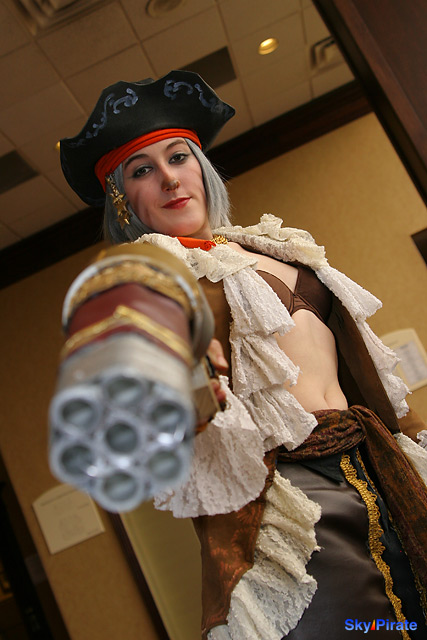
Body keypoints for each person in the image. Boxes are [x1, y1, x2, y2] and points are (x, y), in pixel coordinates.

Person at [60, 70, 427, 639]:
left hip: (376, 463)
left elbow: (370, 375)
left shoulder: (273, 246)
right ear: (122, 201)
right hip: (287, 503)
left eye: (178, 157)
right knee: (359, 628)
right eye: (141, 170)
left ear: (201, 167)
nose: (169, 178)